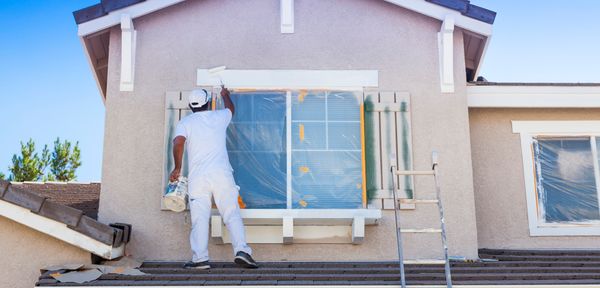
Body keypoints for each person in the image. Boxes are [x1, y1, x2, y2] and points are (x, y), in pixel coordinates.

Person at [170, 87, 258, 269]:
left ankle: (200, 259)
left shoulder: (185, 123)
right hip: (221, 174)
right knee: (231, 213)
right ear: (208, 102)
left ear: (190, 106)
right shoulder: (219, 117)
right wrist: (226, 95)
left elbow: (178, 142)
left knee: (199, 218)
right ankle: (242, 251)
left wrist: (177, 167)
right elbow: (231, 109)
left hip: (198, 178)